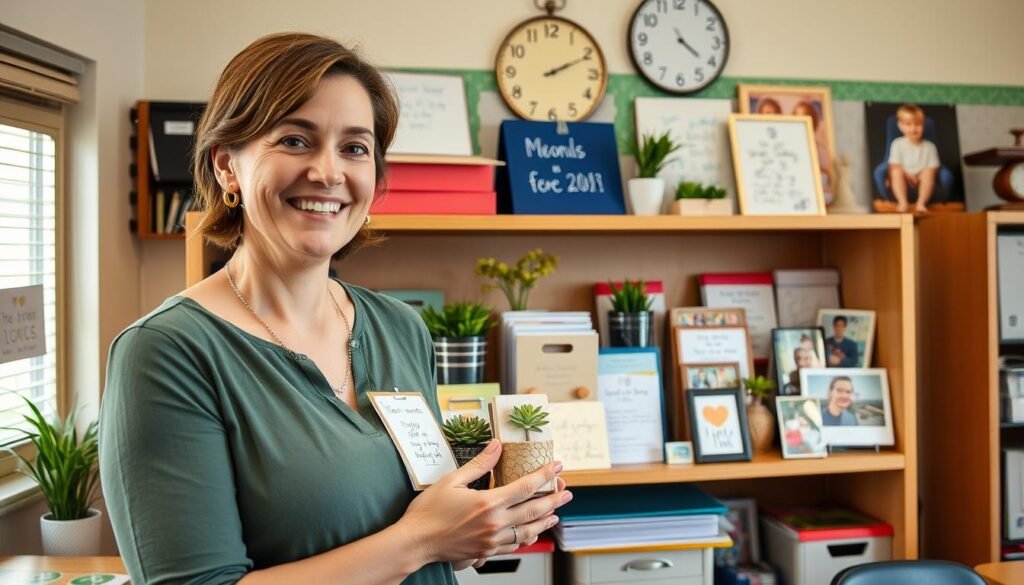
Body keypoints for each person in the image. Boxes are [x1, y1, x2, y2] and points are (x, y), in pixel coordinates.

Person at [99, 33, 570, 585]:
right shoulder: (167, 353)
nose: (329, 172)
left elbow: (423, 520)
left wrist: (476, 529)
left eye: (355, 148)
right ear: (227, 166)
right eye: (296, 140)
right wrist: (421, 541)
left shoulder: (401, 328)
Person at [887, 103, 940, 214]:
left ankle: (921, 203)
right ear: (900, 126)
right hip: (905, 177)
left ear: (923, 126)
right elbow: (894, 165)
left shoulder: (929, 146)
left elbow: (934, 167)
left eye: (918, 124)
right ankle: (902, 202)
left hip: (921, 178)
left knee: (928, 172)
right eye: (908, 124)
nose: (913, 128)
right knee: (896, 172)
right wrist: (908, 175)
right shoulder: (897, 144)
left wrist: (920, 175)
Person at [792, 100, 834, 203]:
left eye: (804, 117)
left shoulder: (820, 149)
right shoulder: (788, 148)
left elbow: (827, 177)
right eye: (796, 117)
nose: (800, 122)